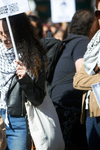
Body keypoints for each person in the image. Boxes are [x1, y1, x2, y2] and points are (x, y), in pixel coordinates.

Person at [0, 13, 46, 150]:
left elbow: (38, 99)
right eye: (0, 33)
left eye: (8, 33)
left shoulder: (34, 57)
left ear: (19, 31)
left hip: (19, 122)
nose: (4, 38)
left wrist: (26, 80)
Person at [50, 9, 95, 149]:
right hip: (69, 109)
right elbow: (83, 73)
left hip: (58, 104)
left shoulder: (68, 42)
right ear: (91, 26)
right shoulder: (82, 42)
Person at [73, 1, 100, 149]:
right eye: (99, 13)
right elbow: (77, 80)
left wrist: (89, 80)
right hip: (92, 111)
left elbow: (83, 79)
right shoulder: (93, 44)